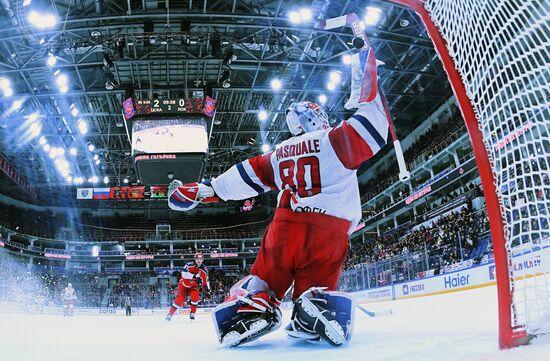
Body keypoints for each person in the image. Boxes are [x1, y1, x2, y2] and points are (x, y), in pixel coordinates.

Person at [168, 48, 389, 347]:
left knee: (266, 278)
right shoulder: (335, 139)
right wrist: (368, 86)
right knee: (317, 284)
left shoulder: (278, 154)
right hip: (329, 231)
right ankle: (313, 306)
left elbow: (244, 177)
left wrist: (208, 190)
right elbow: (374, 129)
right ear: (316, 119)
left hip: (284, 229)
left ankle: (254, 303)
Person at [165, 252, 210, 321]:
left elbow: (205, 282)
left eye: (200, 259)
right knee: (179, 300)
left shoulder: (204, 270)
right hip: (183, 285)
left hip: (193, 286)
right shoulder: (189, 265)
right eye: (197, 258)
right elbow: (183, 274)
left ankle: (192, 313)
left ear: (203, 259)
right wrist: (195, 276)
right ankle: (170, 314)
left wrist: (208, 291)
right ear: (195, 259)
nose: (199, 260)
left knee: (195, 298)